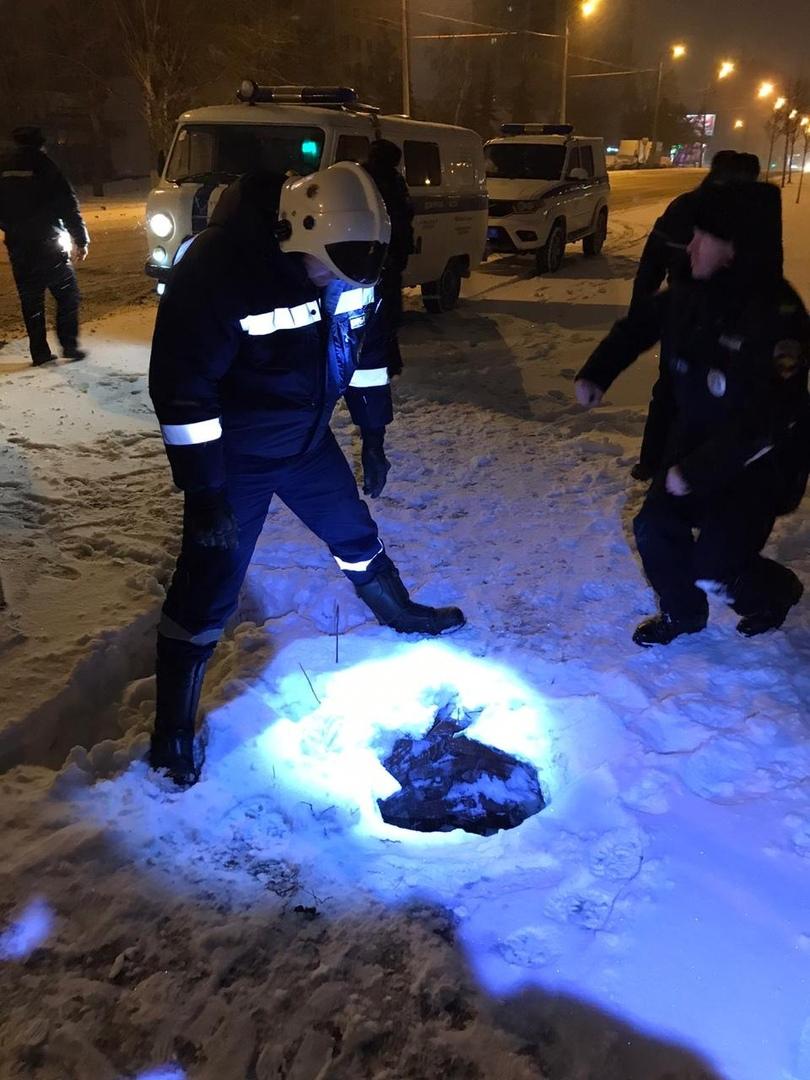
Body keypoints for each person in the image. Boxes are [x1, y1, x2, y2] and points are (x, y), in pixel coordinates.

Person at [148, 162, 464, 788]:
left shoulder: (358, 266)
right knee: (209, 581)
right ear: (293, 231)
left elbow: (368, 353)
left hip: (307, 443)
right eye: (328, 266)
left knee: (354, 531)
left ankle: (398, 610)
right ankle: (171, 731)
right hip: (235, 456)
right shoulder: (220, 269)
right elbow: (183, 392)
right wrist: (206, 493)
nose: (338, 280)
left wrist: (373, 432)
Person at [575, 180, 809, 647]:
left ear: (735, 249)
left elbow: (773, 418)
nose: (692, 245)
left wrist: (701, 469)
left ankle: (776, 591)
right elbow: (640, 325)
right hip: (694, 449)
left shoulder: (777, 316)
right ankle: (683, 615)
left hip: (755, 468)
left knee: (715, 566)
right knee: (654, 528)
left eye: (705, 237)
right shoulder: (694, 291)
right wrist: (597, 373)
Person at [629, 150, 762, 481]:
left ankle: (658, 463)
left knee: (673, 390)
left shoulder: (686, 207)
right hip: (711, 321)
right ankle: (681, 467)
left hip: (695, 318)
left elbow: (651, 264)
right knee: (709, 394)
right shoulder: (745, 216)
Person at [0, 126, 89, 365]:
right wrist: (80, 239)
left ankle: (39, 352)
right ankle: (69, 345)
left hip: (18, 246)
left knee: (31, 300)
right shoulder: (44, 165)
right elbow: (67, 204)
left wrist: (10, 227)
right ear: (40, 143)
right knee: (67, 295)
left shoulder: (4, 168)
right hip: (48, 244)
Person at [362, 139, 415, 378]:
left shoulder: (374, 179)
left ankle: (387, 360)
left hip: (378, 255)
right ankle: (388, 360)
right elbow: (404, 217)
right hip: (381, 254)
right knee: (383, 311)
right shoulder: (384, 180)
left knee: (379, 311)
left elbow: (402, 218)